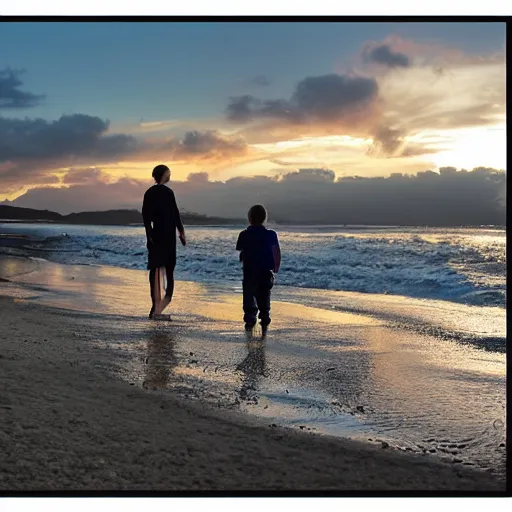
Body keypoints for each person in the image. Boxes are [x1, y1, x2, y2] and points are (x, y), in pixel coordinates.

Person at [142, 164, 186, 320]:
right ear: (164, 175)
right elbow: (175, 214)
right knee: (169, 270)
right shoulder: (168, 193)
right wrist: (181, 232)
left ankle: (155, 304)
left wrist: (149, 235)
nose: (170, 175)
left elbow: (145, 217)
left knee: (155, 270)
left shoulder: (149, 193)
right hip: (168, 236)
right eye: (169, 173)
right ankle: (164, 301)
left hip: (155, 234)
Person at [236, 205, 281, 333]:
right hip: (266, 271)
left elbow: (242, 251)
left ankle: (250, 316)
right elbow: (276, 252)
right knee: (264, 294)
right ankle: (265, 314)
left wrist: (242, 257)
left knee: (249, 295)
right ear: (264, 218)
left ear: (249, 218)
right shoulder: (271, 234)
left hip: (250, 271)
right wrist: (276, 266)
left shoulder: (244, 234)